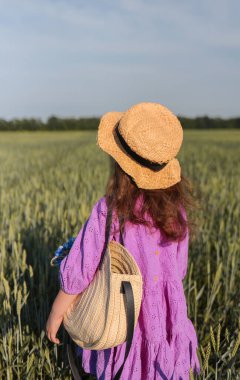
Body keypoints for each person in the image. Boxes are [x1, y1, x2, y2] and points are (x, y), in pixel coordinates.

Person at [46, 102, 201, 379]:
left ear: (121, 164)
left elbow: (81, 268)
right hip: (166, 314)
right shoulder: (176, 210)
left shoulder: (110, 210)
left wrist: (57, 312)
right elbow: (179, 269)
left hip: (122, 315)